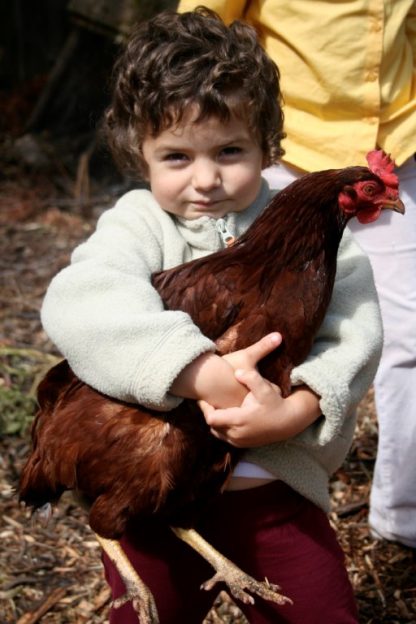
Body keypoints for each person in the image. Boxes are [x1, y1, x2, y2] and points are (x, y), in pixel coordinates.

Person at [41, 9, 383, 623]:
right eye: (176, 157)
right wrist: (197, 371)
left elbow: (355, 335)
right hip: (149, 499)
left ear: (268, 144)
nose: (206, 179)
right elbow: (82, 299)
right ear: (137, 153)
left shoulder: (318, 234)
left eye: (230, 150)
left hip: (274, 496)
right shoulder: (139, 225)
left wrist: (298, 409)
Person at [178, 0, 416, 550]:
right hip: (286, 143)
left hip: (393, 144)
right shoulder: (194, 193)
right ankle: (236, 483)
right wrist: (210, 141)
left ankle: (402, 517)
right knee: (244, 323)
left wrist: (303, 407)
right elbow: (202, 28)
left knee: (405, 337)